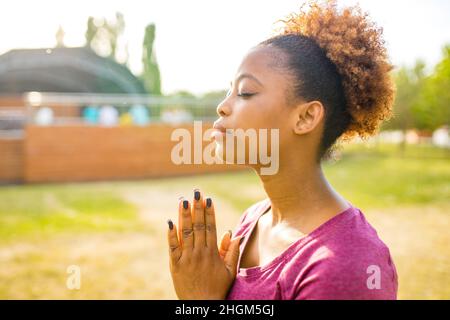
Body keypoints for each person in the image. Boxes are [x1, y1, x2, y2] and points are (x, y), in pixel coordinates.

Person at [166, 0, 398, 300]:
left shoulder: (346, 267)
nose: (222, 107)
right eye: (228, 92)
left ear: (305, 117)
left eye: (245, 92)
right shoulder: (254, 219)